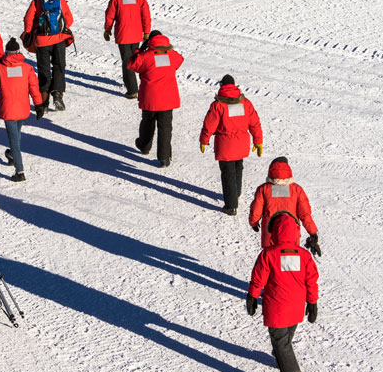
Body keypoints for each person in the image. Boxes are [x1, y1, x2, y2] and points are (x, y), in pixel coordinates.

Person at [246, 211, 319, 372]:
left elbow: (258, 279)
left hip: (276, 306)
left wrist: (252, 297)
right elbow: (311, 280)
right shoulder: (304, 255)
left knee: (280, 340)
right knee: (285, 338)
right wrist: (312, 303)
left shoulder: (268, 254)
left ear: (275, 232)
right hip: (296, 307)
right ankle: (281, 358)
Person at [199, 74, 263, 215]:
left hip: (225, 145)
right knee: (238, 167)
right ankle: (236, 194)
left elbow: (209, 125)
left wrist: (204, 139)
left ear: (222, 86)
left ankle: (231, 205)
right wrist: (258, 141)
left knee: (228, 173)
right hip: (241, 144)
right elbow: (255, 123)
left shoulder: (218, 105)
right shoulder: (245, 103)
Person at [0, 38, 44, 182]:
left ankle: (20, 171)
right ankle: (11, 154)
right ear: (18, 52)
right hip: (23, 108)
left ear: (6, 52)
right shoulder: (27, 68)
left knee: (14, 141)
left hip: (8, 110)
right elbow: (34, 88)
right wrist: (39, 104)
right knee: (16, 136)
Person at [127, 31, 184, 167]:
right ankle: (164, 158)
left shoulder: (145, 56)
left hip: (150, 97)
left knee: (148, 122)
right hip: (168, 99)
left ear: (150, 42)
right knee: (165, 127)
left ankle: (144, 146)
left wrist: (139, 50)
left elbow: (131, 65)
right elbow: (180, 60)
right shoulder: (172, 56)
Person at [249, 157, 320, 254]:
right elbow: (305, 214)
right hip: (291, 234)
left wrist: (253, 222)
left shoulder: (263, 189)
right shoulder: (297, 189)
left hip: (270, 234)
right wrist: (312, 232)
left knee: (270, 260)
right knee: (289, 261)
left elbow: (256, 209)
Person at [22, 0, 74, 111]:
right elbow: (69, 19)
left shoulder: (37, 2)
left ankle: (44, 103)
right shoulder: (60, 0)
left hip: (42, 40)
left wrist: (28, 33)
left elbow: (28, 19)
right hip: (59, 40)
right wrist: (60, 28)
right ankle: (57, 94)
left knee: (43, 69)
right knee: (59, 66)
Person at [104, 0, 151, 99]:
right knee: (135, 59)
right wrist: (146, 32)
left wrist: (107, 30)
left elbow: (110, 16)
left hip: (123, 35)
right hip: (137, 34)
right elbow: (146, 16)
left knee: (127, 61)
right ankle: (137, 84)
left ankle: (132, 90)